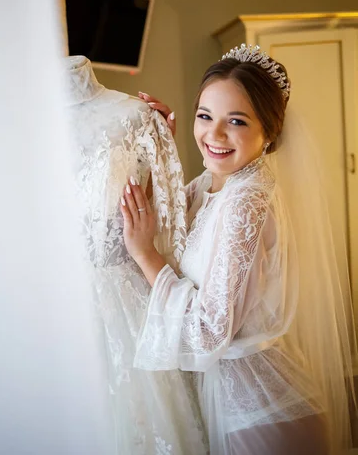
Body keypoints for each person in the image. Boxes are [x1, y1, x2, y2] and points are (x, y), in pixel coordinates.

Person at [120, 44, 355, 455]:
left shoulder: (248, 200)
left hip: (264, 417)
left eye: (237, 121)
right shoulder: (216, 184)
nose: (214, 134)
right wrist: (161, 147)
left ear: (269, 133)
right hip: (238, 405)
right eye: (205, 116)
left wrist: (145, 257)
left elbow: (209, 331)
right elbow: (174, 226)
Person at [64, 55, 207, 455]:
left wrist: (161, 141)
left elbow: (163, 217)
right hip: (43, 303)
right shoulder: (1, 129)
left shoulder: (134, 117)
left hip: (124, 302)